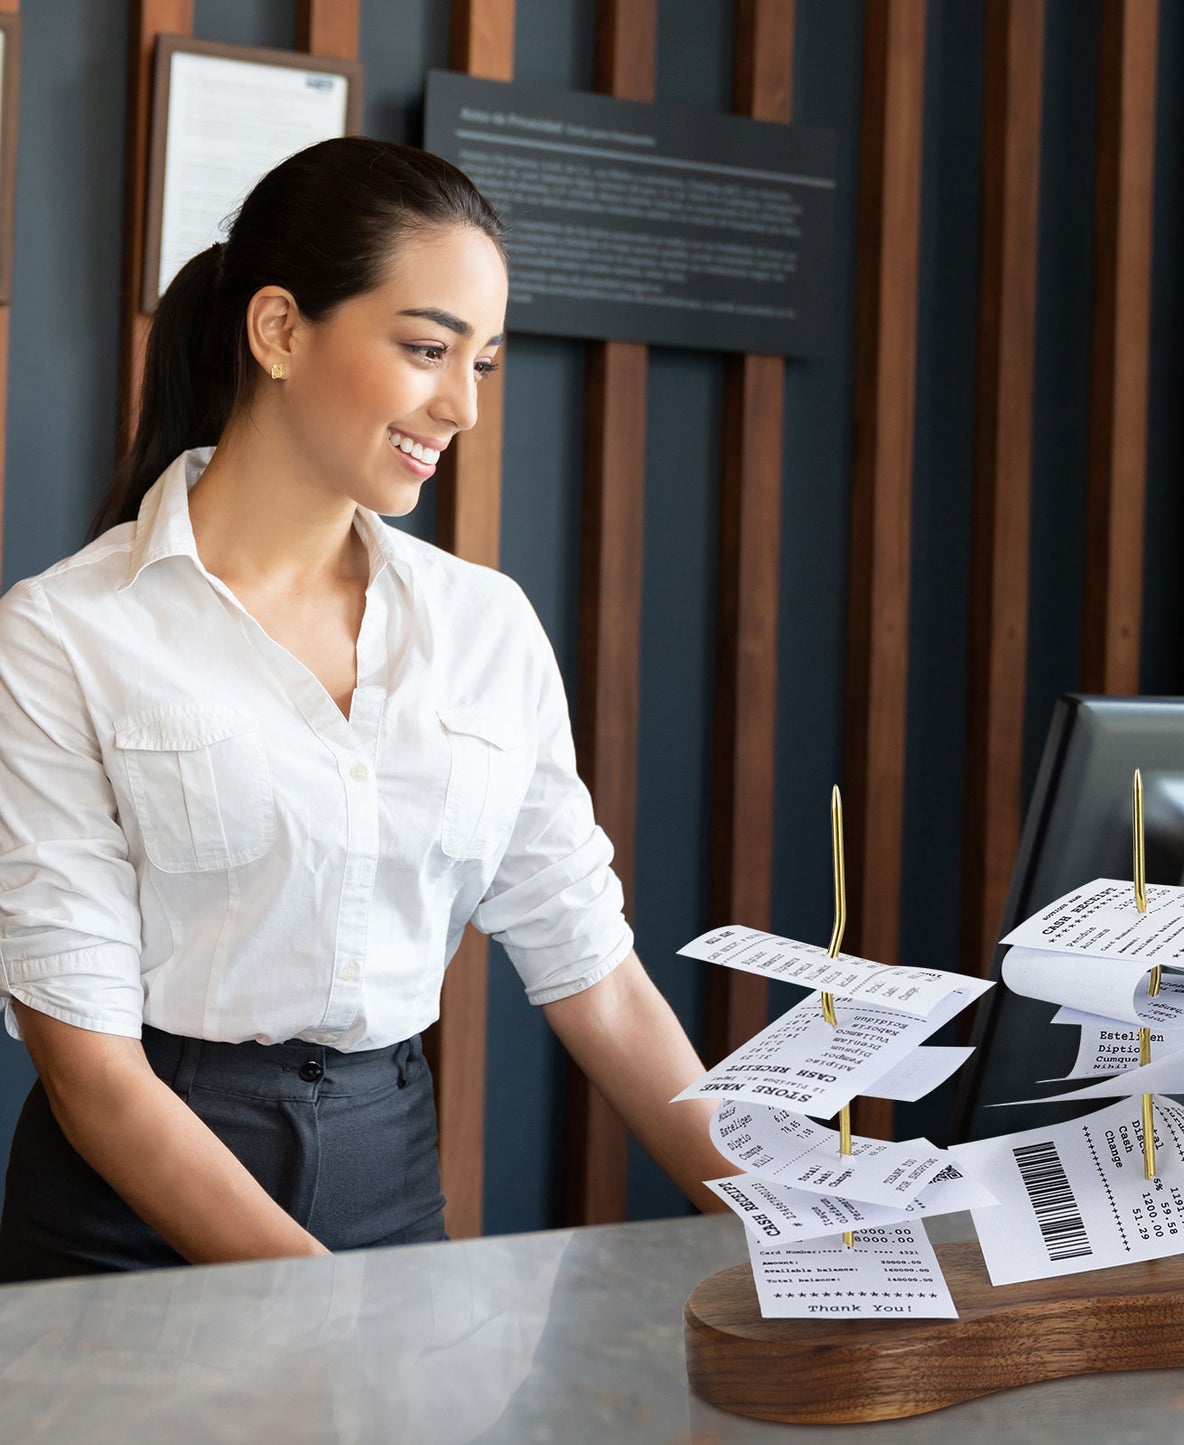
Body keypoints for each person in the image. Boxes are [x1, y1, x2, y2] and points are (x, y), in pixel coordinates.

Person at [0, 137, 730, 1281]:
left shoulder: (482, 627)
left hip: (384, 1179)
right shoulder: (65, 632)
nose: (462, 405)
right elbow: (89, 1068)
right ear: (280, 330)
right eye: (428, 348)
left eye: (482, 362)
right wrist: (329, 1311)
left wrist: (801, 1223)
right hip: (126, 1213)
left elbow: (599, 978)